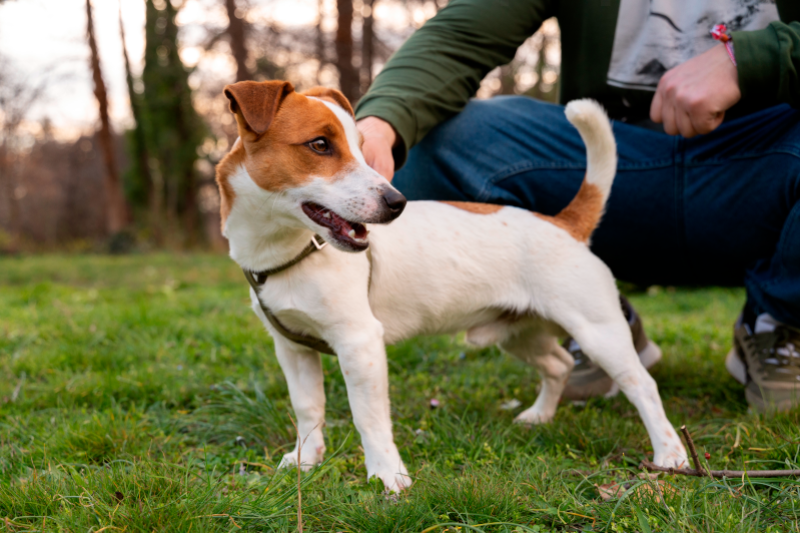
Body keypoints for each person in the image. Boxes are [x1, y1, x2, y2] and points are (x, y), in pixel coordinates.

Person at [353, 0, 800, 412]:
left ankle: (779, 320)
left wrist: (753, 59)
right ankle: (588, 311)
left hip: (769, 159)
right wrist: (381, 120)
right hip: (615, 162)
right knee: (441, 142)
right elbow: (463, 34)